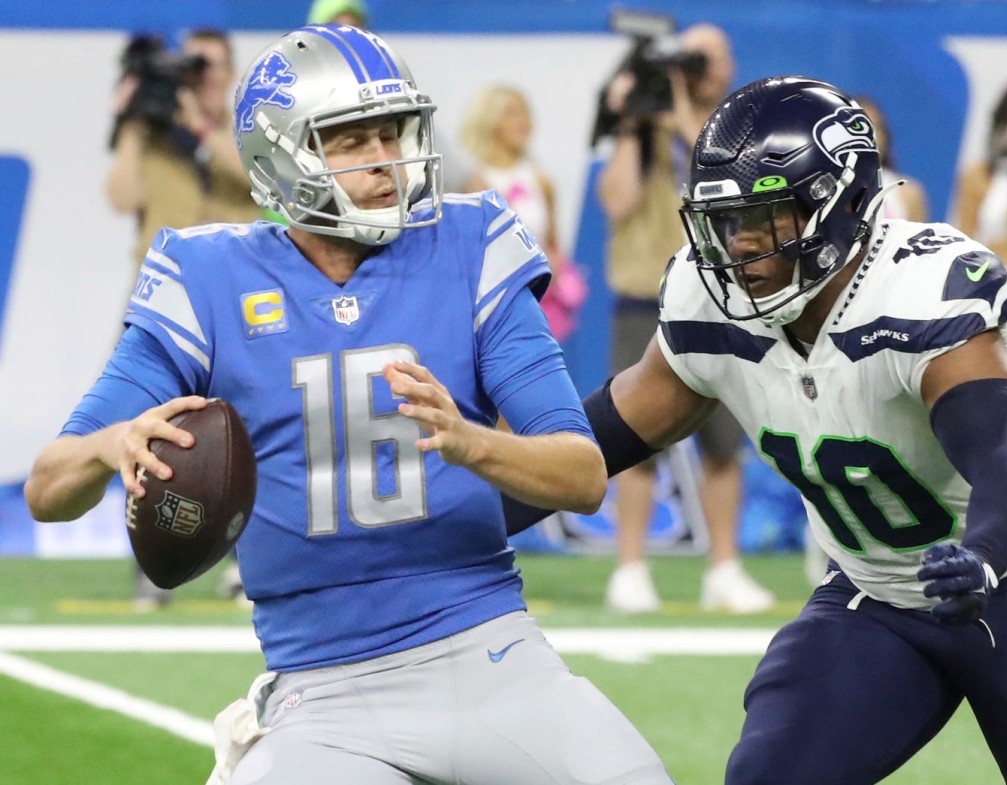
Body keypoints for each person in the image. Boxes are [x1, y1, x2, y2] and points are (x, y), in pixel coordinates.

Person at [26, 26, 672, 785]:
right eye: (351, 139)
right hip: (321, 688)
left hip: (489, 651)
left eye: (393, 132)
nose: (386, 160)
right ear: (280, 156)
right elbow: (46, 488)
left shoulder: (472, 241)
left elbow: (582, 475)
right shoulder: (204, 276)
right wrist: (111, 445)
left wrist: (470, 442)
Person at [507, 76, 1007, 784]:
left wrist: (984, 554)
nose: (738, 246)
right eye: (724, 220)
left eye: (764, 217)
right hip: (875, 596)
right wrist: (457, 505)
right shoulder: (708, 304)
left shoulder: (919, 293)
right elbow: (597, 441)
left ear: (836, 208)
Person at [596, 22, 773, 614]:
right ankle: (629, 569)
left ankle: (723, 567)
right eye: (692, 58)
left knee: (723, 444)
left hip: (720, 296)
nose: (700, 68)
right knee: (633, 439)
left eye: (710, 58)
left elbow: (733, 182)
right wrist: (629, 124)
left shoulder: (738, 125)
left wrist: (675, 111)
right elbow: (616, 202)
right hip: (644, 298)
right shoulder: (642, 132)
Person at [105, 27, 261, 609]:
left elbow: (255, 182)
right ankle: (152, 559)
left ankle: (247, 563)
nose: (200, 77)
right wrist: (131, 126)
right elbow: (121, 198)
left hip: (239, 296)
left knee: (250, 428)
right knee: (148, 426)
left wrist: (200, 123)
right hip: (160, 297)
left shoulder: (249, 132)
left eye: (210, 66)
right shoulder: (157, 138)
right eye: (191, 66)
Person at [461, 85, 587, 342]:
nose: (523, 122)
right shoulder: (473, 184)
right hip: (493, 305)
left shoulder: (541, 181)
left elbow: (554, 246)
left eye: (525, 113)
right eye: (511, 113)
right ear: (490, 121)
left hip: (538, 299)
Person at [855, 95, 929, 222]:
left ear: (886, 137)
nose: (870, 136)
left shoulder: (909, 194)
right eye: (859, 127)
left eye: (876, 128)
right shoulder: (822, 185)